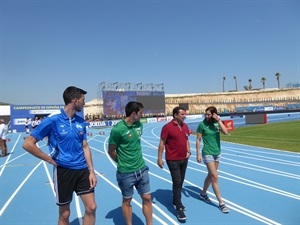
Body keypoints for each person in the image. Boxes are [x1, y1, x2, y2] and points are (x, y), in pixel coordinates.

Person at [22, 86, 97, 225]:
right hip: (63, 171)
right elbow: (28, 144)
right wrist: (48, 159)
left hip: (82, 170)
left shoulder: (80, 121)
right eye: (83, 100)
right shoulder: (53, 120)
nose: (84, 103)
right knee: (65, 214)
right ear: (75, 101)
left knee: (92, 208)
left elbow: (85, 146)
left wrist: (91, 170)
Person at [108, 101, 153, 225]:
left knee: (147, 198)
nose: (142, 115)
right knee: (127, 201)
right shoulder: (117, 130)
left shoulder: (139, 125)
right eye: (141, 113)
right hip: (126, 173)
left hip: (142, 169)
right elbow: (111, 150)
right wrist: (122, 161)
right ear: (134, 113)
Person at [157, 106, 191, 221]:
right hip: (172, 159)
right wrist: (159, 158)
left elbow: (186, 140)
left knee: (180, 181)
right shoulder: (167, 127)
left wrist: (188, 151)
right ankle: (179, 207)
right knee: (177, 182)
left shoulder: (185, 126)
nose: (184, 116)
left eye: (185, 114)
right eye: (182, 114)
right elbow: (162, 143)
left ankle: (175, 200)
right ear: (175, 115)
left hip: (184, 158)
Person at [195, 106, 229, 213]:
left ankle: (203, 193)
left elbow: (226, 132)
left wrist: (218, 120)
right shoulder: (202, 125)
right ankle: (221, 203)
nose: (207, 116)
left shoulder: (216, 123)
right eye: (206, 114)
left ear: (214, 114)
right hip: (207, 153)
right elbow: (198, 140)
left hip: (217, 153)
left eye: (209, 114)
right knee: (215, 177)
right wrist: (198, 154)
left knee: (210, 176)